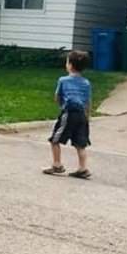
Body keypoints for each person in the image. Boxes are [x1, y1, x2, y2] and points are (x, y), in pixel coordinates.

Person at [42, 50, 92, 179]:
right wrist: (88, 116)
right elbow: (88, 101)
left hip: (69, 113)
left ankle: (57, 164)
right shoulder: (86, 83)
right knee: (80, 143)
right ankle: (82, 168)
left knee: (55, 139)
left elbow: (57, 97)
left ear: (69, 65)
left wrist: (61, 106)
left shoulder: (63, 80)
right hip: (81, 114)